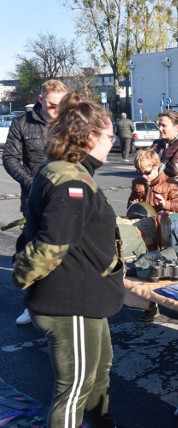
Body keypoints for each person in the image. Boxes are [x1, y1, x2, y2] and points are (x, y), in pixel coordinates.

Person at [11, 91, 124, 428]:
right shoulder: (70, 182)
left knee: (100, 371)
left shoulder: (69, 171)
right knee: (74, 389)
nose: (113, 141)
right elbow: (52, 244)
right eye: (109, 135)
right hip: (70, 301)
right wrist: (22, 275)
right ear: (90, 138)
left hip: (88, 298)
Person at [3, 79, 68, 326]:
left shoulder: (68, 123)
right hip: (32, 201)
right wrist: (34, 184)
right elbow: (10, 159)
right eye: (52, 105)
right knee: (34, 253)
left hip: (65, 200)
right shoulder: (22, 123)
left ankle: (64, 304)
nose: (57, 110)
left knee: (66, 253)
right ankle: (33, 306)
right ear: (41, 100)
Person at [128, 149, 178, 214]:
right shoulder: (137, 182)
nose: (143, 176)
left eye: (147, 172)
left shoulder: (170, 184)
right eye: (140, 173)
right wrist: (132, 204)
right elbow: (131, 201)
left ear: (156, 166)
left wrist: (165, 204)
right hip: (141, 220)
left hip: (161, 221)